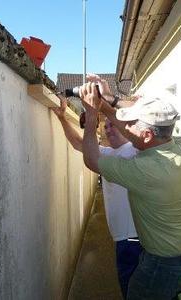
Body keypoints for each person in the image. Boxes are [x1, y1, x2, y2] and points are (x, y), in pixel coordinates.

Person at [77, 75, 181, 300]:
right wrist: (108, 103)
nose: (127, 127)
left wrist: (91, 116)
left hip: (162, 266)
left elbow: (92, 159)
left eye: (133, 124)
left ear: (147, 135)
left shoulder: (145, 169)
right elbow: (137, 129)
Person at [51, 98, 143, 298]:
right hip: (122, 238)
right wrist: (62, 118)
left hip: (135, 237)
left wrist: (110, 102)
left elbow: (138, 110)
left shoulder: (136, 150)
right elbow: (78, 143)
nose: (108, 128)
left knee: (134, 291)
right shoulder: (106, 153)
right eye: (106, 125)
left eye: (113, 124)